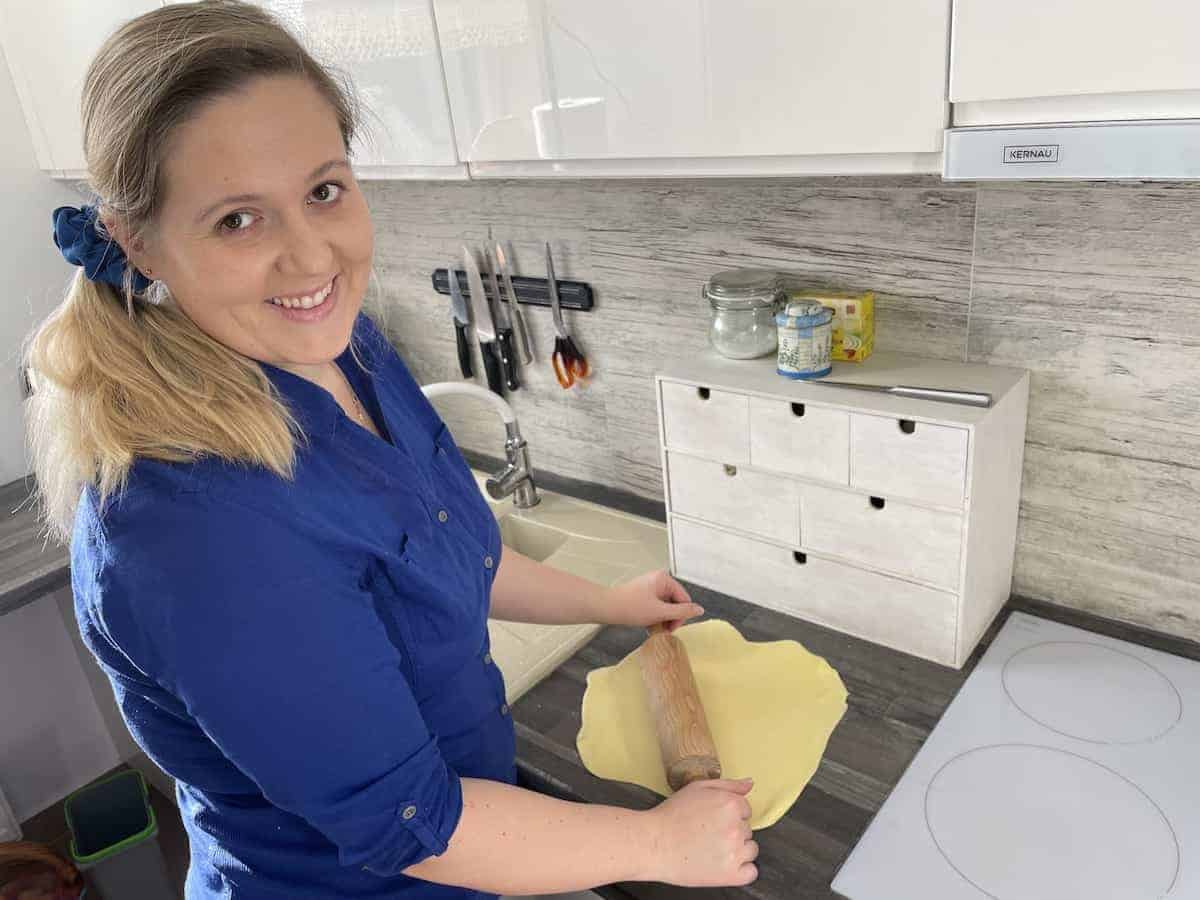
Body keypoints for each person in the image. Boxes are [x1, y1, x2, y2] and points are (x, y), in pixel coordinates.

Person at [22, 3, 759, 898]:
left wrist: (608, 600)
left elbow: (441, 555)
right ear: (139, 241)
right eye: (237, 221)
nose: (310, 259)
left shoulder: (346, 352)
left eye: (324, 190)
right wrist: (659, 847)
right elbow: (413, 825)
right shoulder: (191, 527)